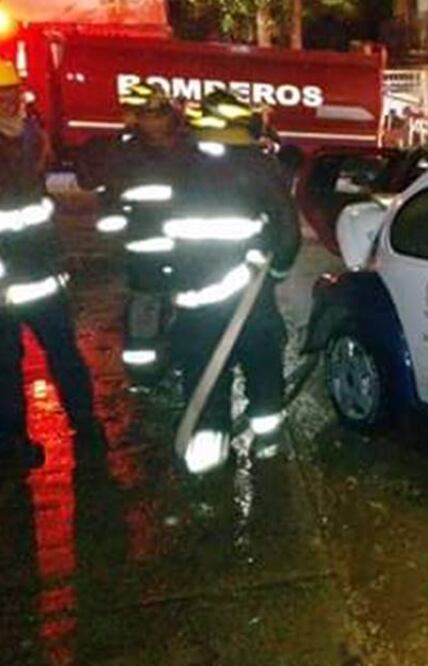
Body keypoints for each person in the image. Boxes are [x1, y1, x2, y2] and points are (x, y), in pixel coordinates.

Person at [0, 53, 98, 472]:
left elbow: (37, 205)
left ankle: (85, 428)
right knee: (0, 366)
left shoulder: (29, 137)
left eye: (12, 94)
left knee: (63, 354)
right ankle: (9, 445)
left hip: (39, 273)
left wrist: (58, 253)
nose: (10, 103)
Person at [169, 92, 300, 470]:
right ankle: (269, 443)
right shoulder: (258, 165)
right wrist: (276, 271)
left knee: (204, 369)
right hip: (250, 295)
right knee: (262, 364)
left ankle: (210, 451)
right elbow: (286, 228)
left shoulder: (180, 164)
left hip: (195, 298)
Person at [94, 82, 200, 388]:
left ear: (171, 116)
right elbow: (110, 197)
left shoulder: (188, 150)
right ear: (138, 118)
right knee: (146, 307)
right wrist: (117, 229)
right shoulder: (124, 153)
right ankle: (143, 373)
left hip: (186, 246)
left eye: (160, 114)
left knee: (185, 305)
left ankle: (182, 361)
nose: (154, 122)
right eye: (147, 115)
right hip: (144, 247)